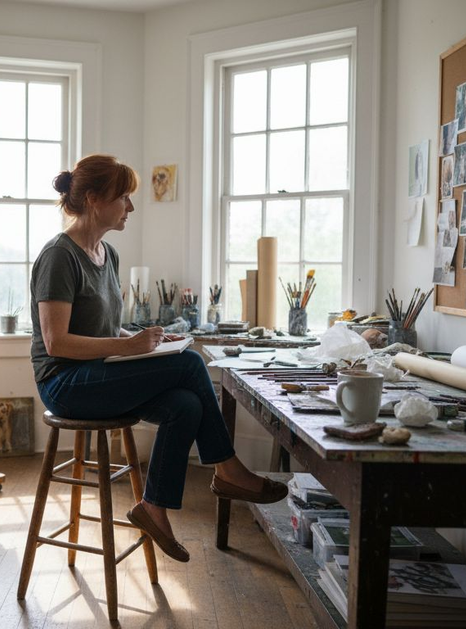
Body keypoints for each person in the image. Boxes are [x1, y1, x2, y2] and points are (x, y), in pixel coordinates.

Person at [30, 154, 286, 563]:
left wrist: (144, 338)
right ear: (95, 199)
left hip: (101, 373)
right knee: (190, 365)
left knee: (185, 406)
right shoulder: (59, 256)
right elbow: (57, 342)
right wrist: (130, 348)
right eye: (124, 197)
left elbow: (105, 328)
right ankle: (228, 469)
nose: (130, 207)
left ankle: (152, 508)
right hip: (65, 383)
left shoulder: (107, 255)